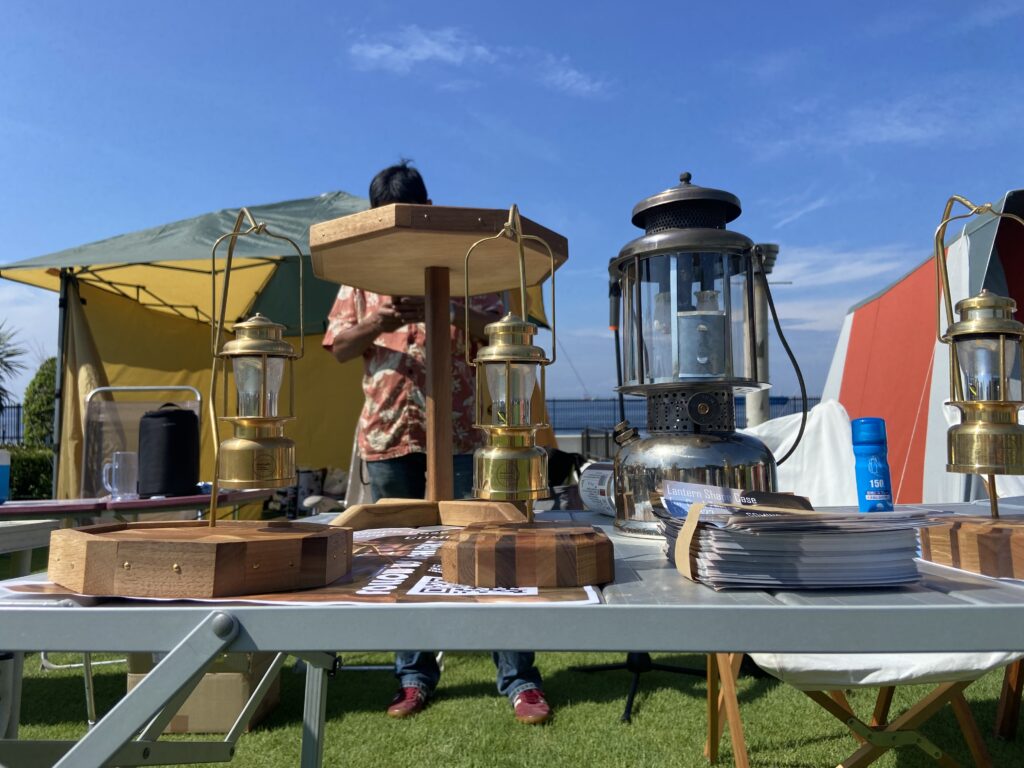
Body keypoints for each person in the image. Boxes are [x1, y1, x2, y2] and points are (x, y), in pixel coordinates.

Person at [322, 160, 551, 725]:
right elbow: (338, 346)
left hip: (468, 433)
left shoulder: (471, 263)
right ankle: (413, 676)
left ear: (426, 209)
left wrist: (446, 304)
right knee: (401, 557)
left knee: (495, 548)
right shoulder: (361, 275)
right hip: (390, 434)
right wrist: (380, 319)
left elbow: (503, 333)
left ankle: (519, 677)